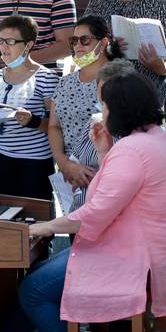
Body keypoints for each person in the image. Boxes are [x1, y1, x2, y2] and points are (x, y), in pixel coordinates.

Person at [19, 71, 166, 332]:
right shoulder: (155, 139)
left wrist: (42, 227)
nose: (102, 111)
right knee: (32, 280)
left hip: (127, 258)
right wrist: (105, 151)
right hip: (138, 252)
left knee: (31, 290)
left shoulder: (133, 150)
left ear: (120, 109)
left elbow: (95, 213)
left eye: (105, 105)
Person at [48, 16, 124, 211]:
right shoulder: (65, 82)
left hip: (105, 175)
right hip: (69, 176)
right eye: (74, 40)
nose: (78, 46)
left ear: (104, 42)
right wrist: (65, 164)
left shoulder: (119, 81)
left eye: (85, 40)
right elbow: (54, 126)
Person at [0, 15, 58, 199]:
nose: (3, 47)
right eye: (0, 41)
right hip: (0, 158)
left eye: (10, 41)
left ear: (28, 45)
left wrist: (33, 121)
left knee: (35, 214)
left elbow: (57, 126)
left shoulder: (47, 78)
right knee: (4, 213)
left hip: (35, 163)